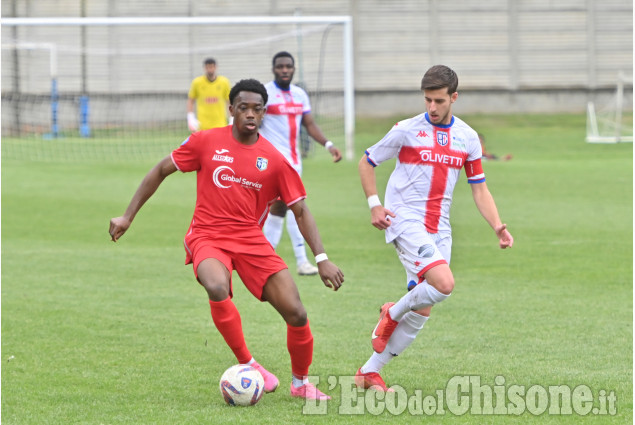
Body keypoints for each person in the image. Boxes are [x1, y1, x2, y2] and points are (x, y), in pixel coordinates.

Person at [110, 78, 344, 401]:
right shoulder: (205, 141)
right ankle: (249, 363)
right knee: (217, 287)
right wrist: (127, 216)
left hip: (250, 240)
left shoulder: (275, 160)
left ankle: (301, 383)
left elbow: (300, 211)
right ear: (231, 109)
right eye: (243, 108)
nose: (250, 114)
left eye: (257, 110)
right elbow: (161, 170)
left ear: (265, 114)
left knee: (297, 313)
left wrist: (321, 259)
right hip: (207, 235)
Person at [354, 65, 514, 392]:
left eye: (439, 100)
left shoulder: (468, 138)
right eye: (427, 100)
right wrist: (374, 204)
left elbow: (479, 188)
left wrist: (497, 225)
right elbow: (367, 161)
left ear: (454, 97)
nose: (432, 107)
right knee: (444, 284)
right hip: (406, 220)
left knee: (423, 306)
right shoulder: (406, 130)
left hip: (440, 228)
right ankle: (391, 312)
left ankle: (368, 372)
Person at [260, 51, 343, 276]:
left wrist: (328, 144)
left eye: (288, 66)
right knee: (292, 208)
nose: (284, 70)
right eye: (280, 67)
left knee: (282, 209)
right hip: (271, 164)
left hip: (294, 164)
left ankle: (268, 257)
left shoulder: (300, 95)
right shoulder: (265, 94)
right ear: (273, 69)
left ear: (294, 69)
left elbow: (309, 123)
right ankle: (297, 260)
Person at [187, 57, 231, 132]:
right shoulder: (197, 82)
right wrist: (190, 117)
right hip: (203, 125)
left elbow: (229, 101)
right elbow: (191, 100)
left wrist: (232, 117)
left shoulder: (224, 82)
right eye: (208, 67)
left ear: (216, 67)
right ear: (204, 68)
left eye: (211, 67)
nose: (210, 70)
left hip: (220, 124)